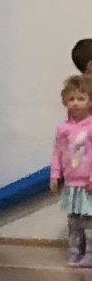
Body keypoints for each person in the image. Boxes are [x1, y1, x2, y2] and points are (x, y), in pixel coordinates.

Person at [51, 76, 92, 268]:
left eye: (81, 98)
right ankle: (76, 250)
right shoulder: (63, 128)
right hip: (71, 183)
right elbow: (57, 152)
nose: (75, 103)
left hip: (87, 184)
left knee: (88, 220)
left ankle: (90, 253)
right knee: (73, 221)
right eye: (71, 99)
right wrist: (55, 175)